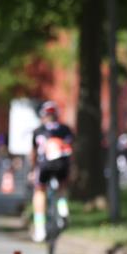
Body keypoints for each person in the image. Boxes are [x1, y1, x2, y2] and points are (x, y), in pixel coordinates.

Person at [30, 101, 73, 243]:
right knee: (62, 186)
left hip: (44, 165)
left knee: (39, 191)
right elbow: (71, 149)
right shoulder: (66, 129)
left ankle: (40, 228)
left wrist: (32, 170)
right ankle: (63, 208)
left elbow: (34, 154)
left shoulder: (38, 131)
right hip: (62, 164)